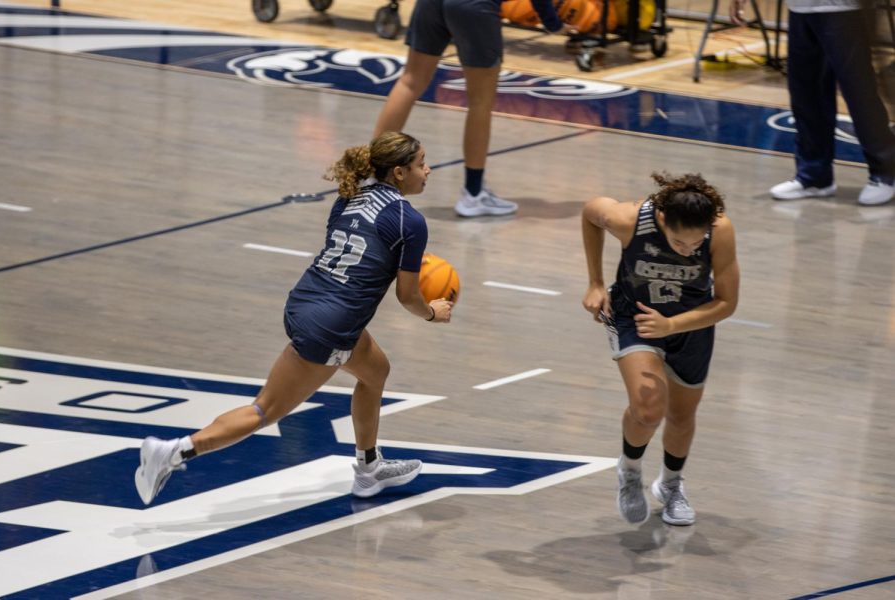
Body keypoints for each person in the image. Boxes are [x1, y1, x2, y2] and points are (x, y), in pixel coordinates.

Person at [135, 132, 454, 505]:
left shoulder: (350, 197)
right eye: (421, 163)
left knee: (376, 371)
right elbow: (408, 297)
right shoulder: (409, 221)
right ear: (399, 172)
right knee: (265, 410)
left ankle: (369, 468)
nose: (428, 169)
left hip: (306, 302)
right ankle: (173, 453)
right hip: (332, 324)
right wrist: (433, 313)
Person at [581, 173, 740, 526]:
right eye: (679, 244)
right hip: (634, 317)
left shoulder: (720, 230)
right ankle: (630, 470)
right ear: (664, 221)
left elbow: (727, 303)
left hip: (690, 324)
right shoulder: (629, 219)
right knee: (649, 407)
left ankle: (670, 484)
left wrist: (672, 325)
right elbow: (590, 212)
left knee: (682, 416)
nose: (688, 250)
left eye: (694, 246)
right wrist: (594, 282)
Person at [373, 0, 575, 218]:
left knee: (410, 82)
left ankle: (370, 176)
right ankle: (474, 193)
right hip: (474, 6)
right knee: (480, 102)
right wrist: (552, 23)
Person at [729, 0, 895, 205]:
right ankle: (814, 176)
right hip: (800, 8)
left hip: (844, 9)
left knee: (858, 91)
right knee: (806, 92)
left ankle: (886, 171)